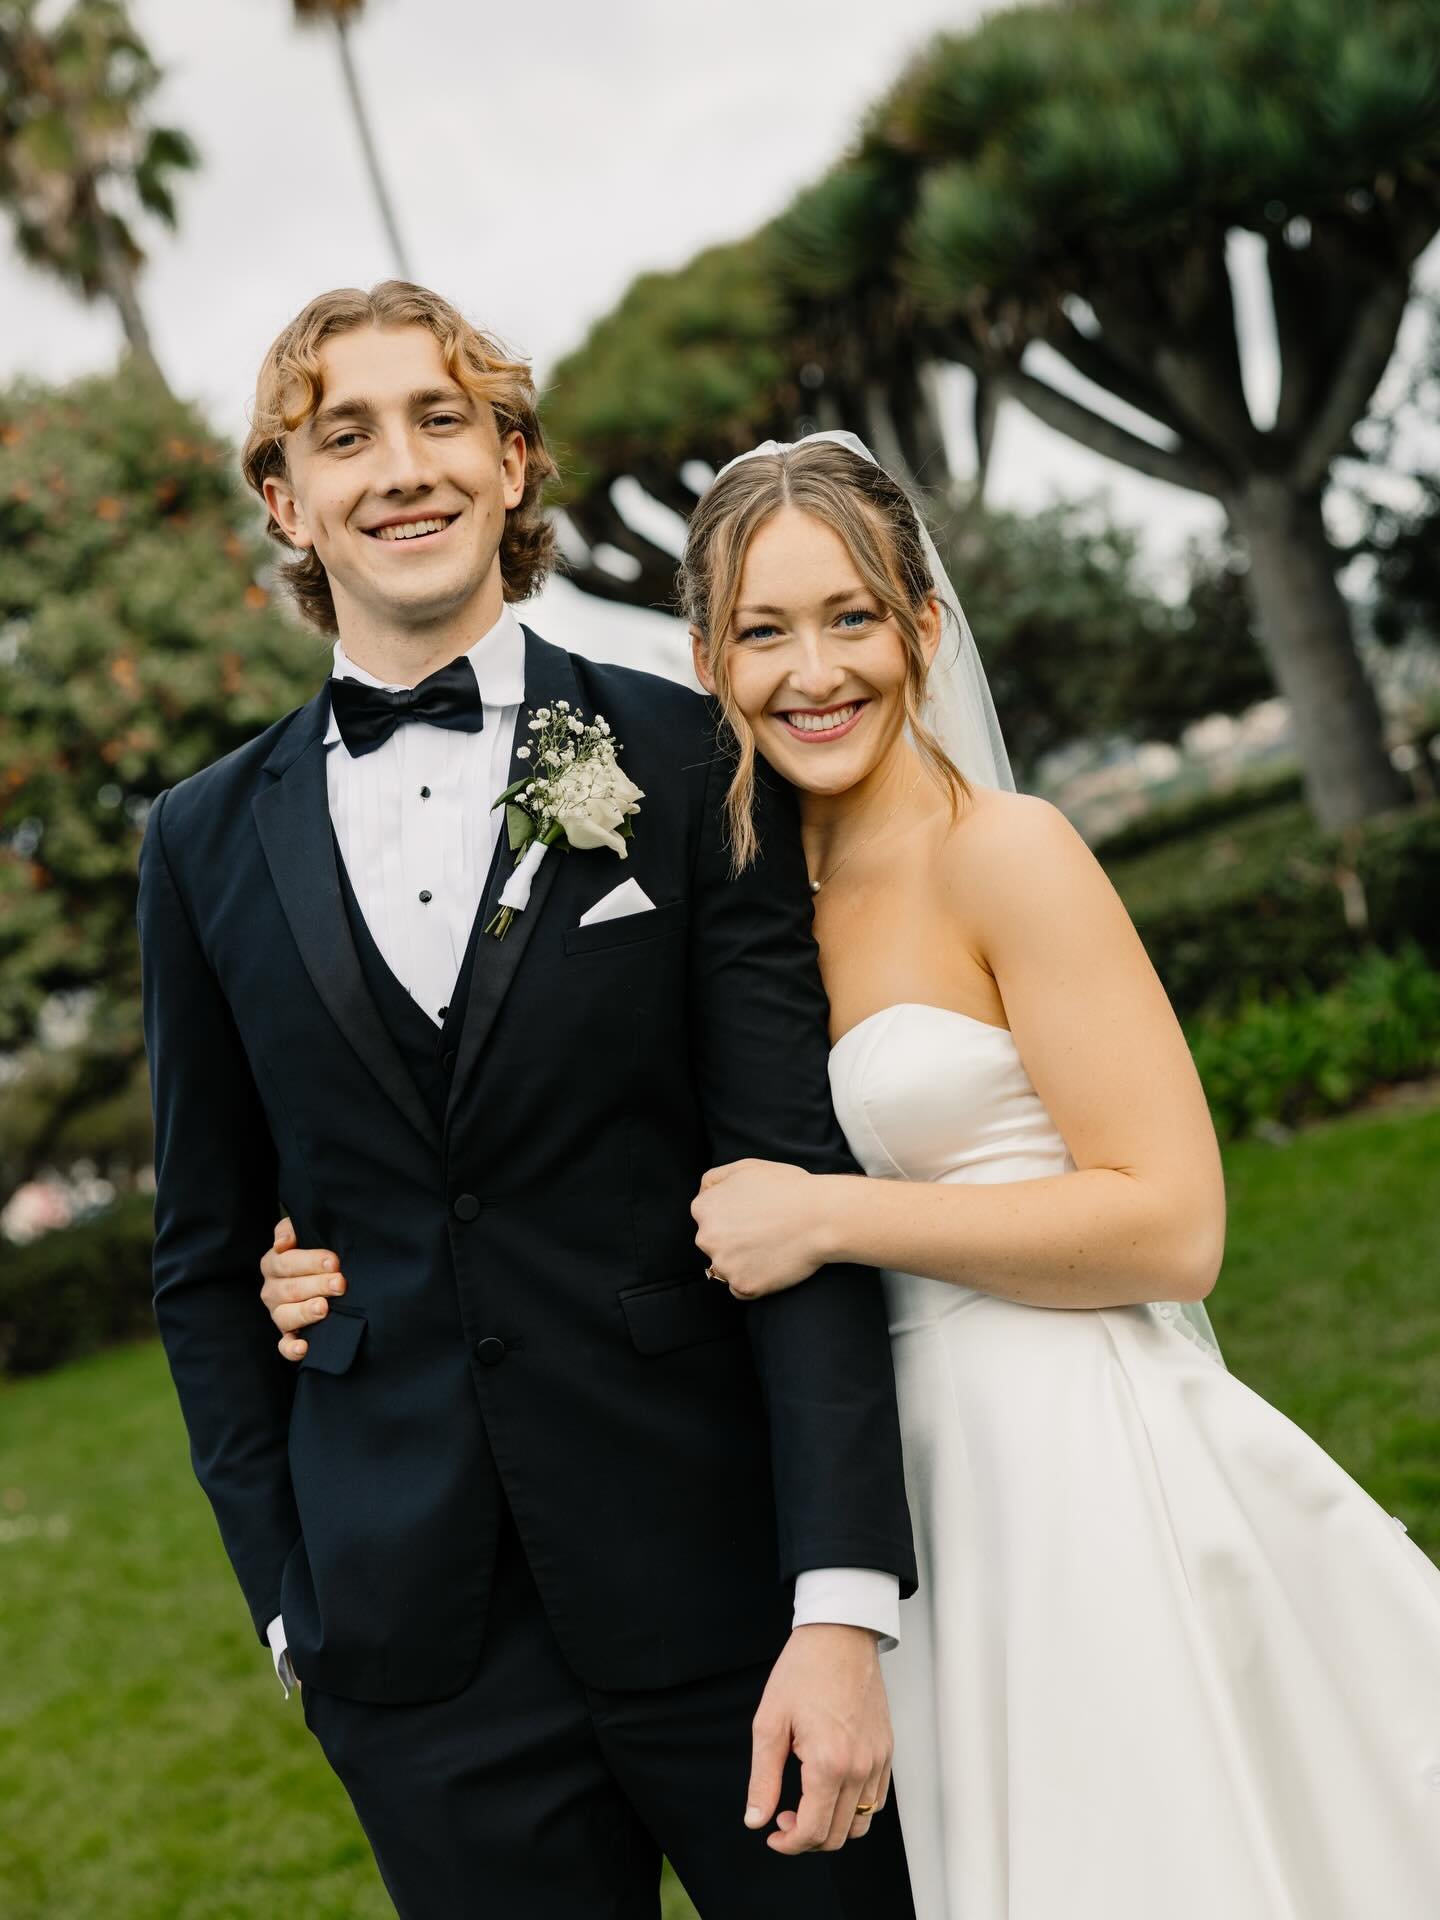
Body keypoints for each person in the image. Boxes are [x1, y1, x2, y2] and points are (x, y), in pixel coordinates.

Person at [267, 433, 1440, 1920]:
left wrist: (835, 1215)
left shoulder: (1006, 854)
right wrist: (308, 1256)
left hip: (1063, 1462)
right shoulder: (722, 892)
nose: (812, 671)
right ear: (707, 661)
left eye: (850, 619)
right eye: (763, 632)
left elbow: (1173, 1220)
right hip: (852, 1511)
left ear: (923, 629)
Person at [136, 292, 920, 1920]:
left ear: (510, 463)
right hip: (418, 1660)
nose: (397, 468)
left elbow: (794, 1183)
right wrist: (296, 1605)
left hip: (727, 1601)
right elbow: (206, 1257)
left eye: (438, 420)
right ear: (284, 499)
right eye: (341, 436)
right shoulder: (201, 844)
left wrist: (839, 1603)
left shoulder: (694, 758)